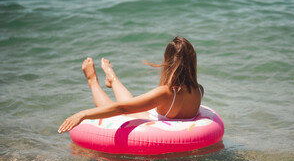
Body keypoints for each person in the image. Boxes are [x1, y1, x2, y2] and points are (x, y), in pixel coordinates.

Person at [58, 36, 204, 133]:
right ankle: (112, 78)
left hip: (154, 126)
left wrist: (82, 114)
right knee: (131, 105)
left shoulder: (165, 92)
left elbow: (121, 108)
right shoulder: (199, 90)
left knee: (125, 108)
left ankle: (93, 80)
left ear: (168, 61)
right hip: (158, 120)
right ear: (193, 62)